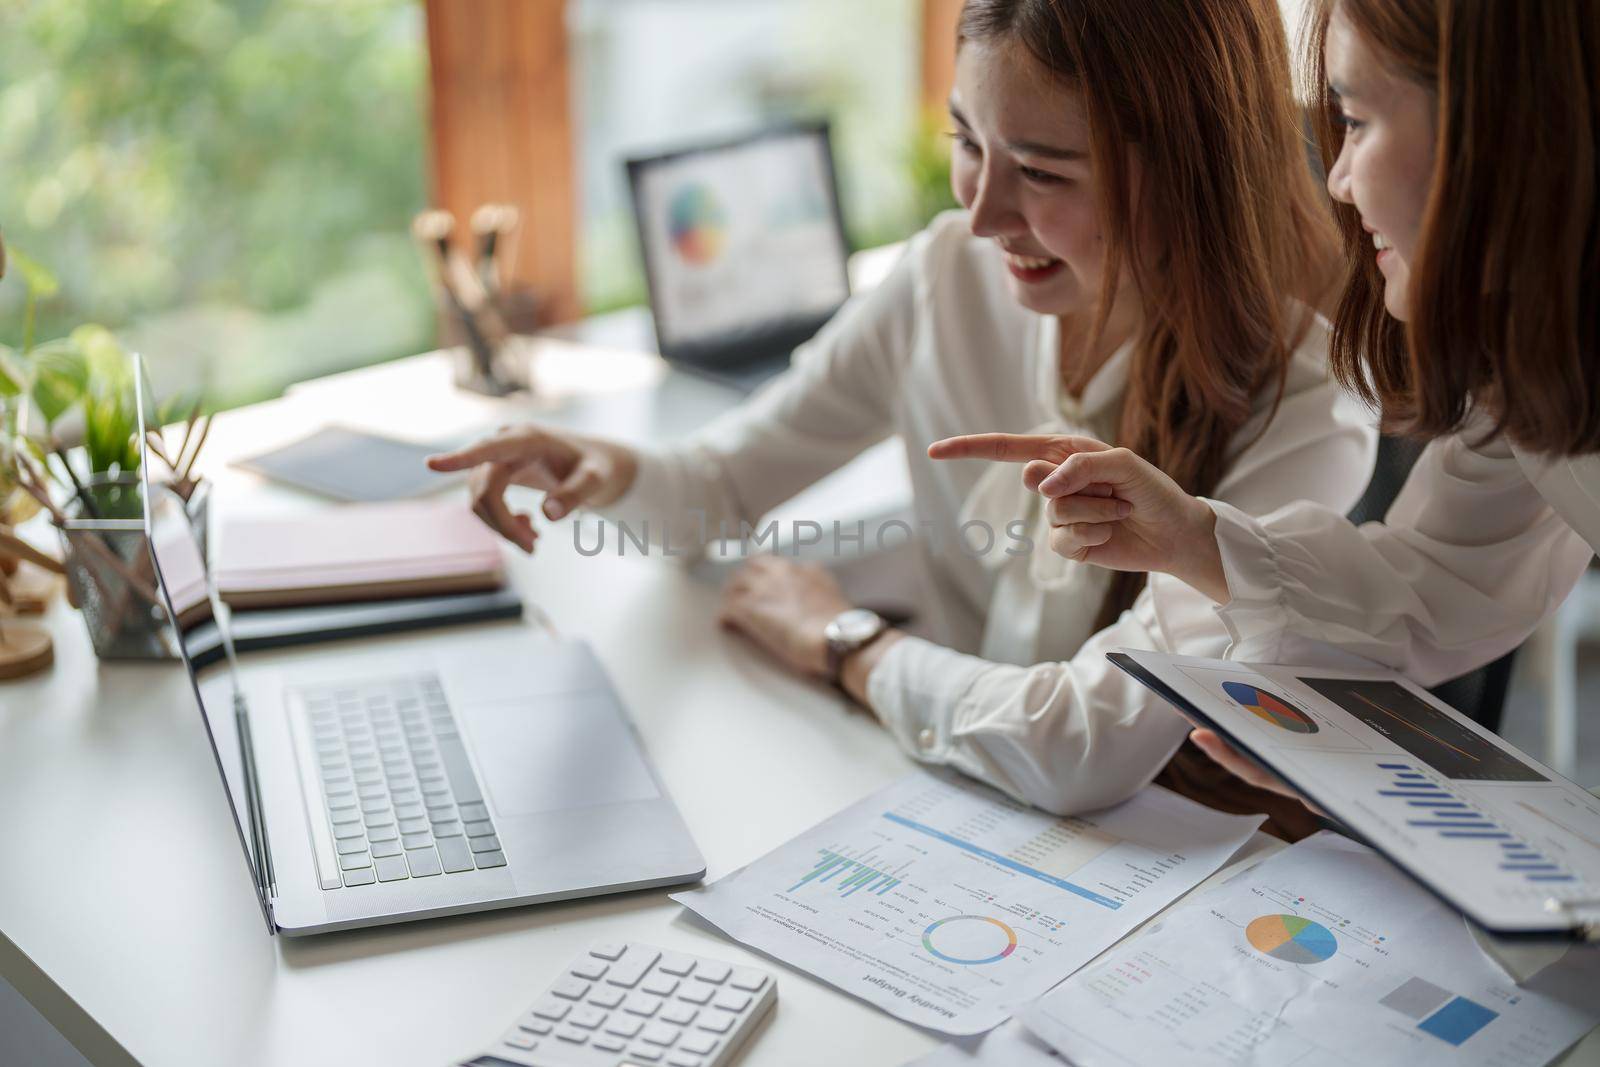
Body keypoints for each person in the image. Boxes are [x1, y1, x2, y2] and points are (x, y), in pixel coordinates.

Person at [428, 0, 1376, 828]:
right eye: (969, 144)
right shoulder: (943, 281)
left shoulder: (1305, 410)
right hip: (954, 799)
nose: (982, 214)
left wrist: (846, 643)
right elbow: (720, 487)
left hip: (1168, 872)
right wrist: (605, 468)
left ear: (1184, 170)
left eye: (1043, 174)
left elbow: (1080, 745)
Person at [932, 0, 1597, 804]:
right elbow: (1436, 585)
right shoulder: (1527, 354)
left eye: (1353, 121)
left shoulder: (1310, 394)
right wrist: (1195, 539)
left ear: (1504, 133)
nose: (1340, 183)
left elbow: (1077, 742)